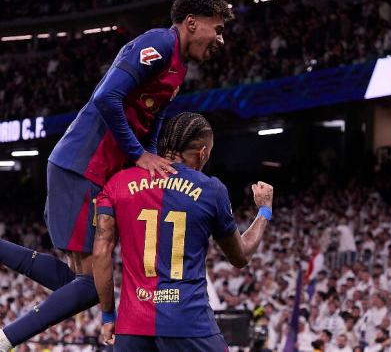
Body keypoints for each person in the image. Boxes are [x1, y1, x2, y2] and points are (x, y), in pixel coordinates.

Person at [0, 0, 233, 351]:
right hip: (81, 168)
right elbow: (106, 97)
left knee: (83, 283)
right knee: (90, 286)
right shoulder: (157, 44)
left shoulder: (179, 64)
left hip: (92, 171)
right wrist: (138, 155)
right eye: (216, 28)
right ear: (191, 22)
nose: (220, 38)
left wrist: (150, 157)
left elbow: (154, 115)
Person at [92, 112, 274, 351]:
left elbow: (101, 253)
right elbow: (240, 257)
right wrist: (264, 211)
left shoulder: (117, 183)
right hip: (189, 324)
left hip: (132, 325)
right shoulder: (212, 190)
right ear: (203, 153)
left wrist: (107, 316)